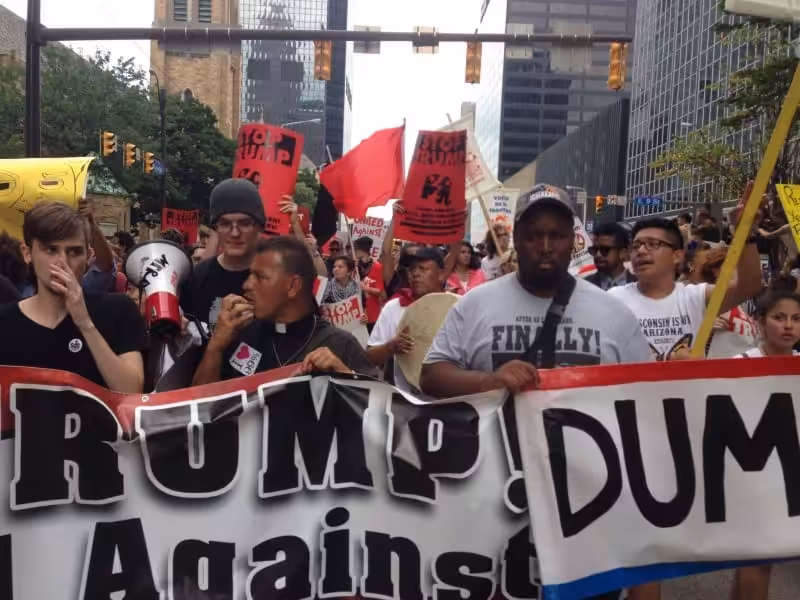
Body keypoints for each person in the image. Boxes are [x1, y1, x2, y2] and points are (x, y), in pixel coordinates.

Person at [421, 184, 651, 397]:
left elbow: (649, 390)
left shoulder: (614, 313)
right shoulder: (474, 304)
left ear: (573, 240)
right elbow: (431, 376)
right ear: (516, 240)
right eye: (533, 236)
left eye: (557, 236)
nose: (546, 247)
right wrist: (489, 381)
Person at [0, 202, 147, 392]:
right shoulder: (6, 322)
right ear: (27, 253)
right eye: (51, 250)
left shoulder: (118, 310)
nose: (63, 262)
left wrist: (84, 322)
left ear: (88, 256)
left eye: (74, 252)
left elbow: (131, 391)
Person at [192, 236, 377, 385]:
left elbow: (381, 413)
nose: (246, 285)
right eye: (249, 275)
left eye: (260, 277)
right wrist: (215, 346)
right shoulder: (242, 335)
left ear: (292, 286)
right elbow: (199, 410)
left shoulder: (341, 345)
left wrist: (345, 376)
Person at [609, 214, 763, 361]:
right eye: (636, 246)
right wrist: (667, 363)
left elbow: (749, 285)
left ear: (677, 255)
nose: (641, 251)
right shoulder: (614, 299)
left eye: (653, 244)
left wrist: (746, 230)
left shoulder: (696, 297)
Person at [181, 178, 266, 332]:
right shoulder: (197, 277)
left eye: (244, 223)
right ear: (216, 228)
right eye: (225, 224)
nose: (234, 233)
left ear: (259, 226)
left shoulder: (276, 276)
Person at [367, 246, 447, 395]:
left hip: (448, 400)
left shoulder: (455, 306)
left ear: (441, 275)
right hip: (405, 402)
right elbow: (369, 358)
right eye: (412, 269)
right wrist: (390, 347)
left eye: (423, 269)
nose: (415, 274)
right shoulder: (394, 307)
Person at [586, 222, 636, 290]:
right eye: (594, 250)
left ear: (623, 252)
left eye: (605, 250)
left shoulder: (641, 286)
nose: (598, 255)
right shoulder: (584, 285)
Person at [353, 236, 386, 333]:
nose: (353, 251)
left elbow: (380, 291)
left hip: (372, 314)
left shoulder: (377, 267)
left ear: (362, 250)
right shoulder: (354, 266)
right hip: (357, 313)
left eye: (355, 249)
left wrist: (365, 288)